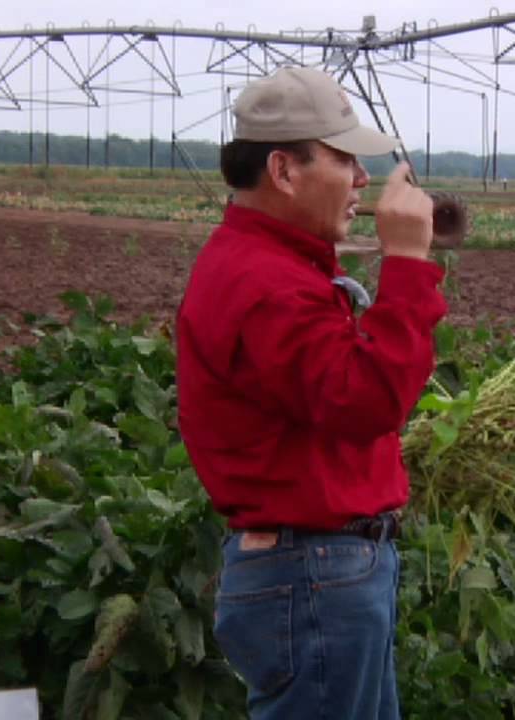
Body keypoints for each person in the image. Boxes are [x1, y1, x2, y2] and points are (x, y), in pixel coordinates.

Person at [174, 66, 447, 720]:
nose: (361, 180)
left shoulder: (270, 267)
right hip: (313, 573)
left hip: (318, 571)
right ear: (284, 170)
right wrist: (407, 264)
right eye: (344, 157)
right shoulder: (265, 284)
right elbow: (366, 401)